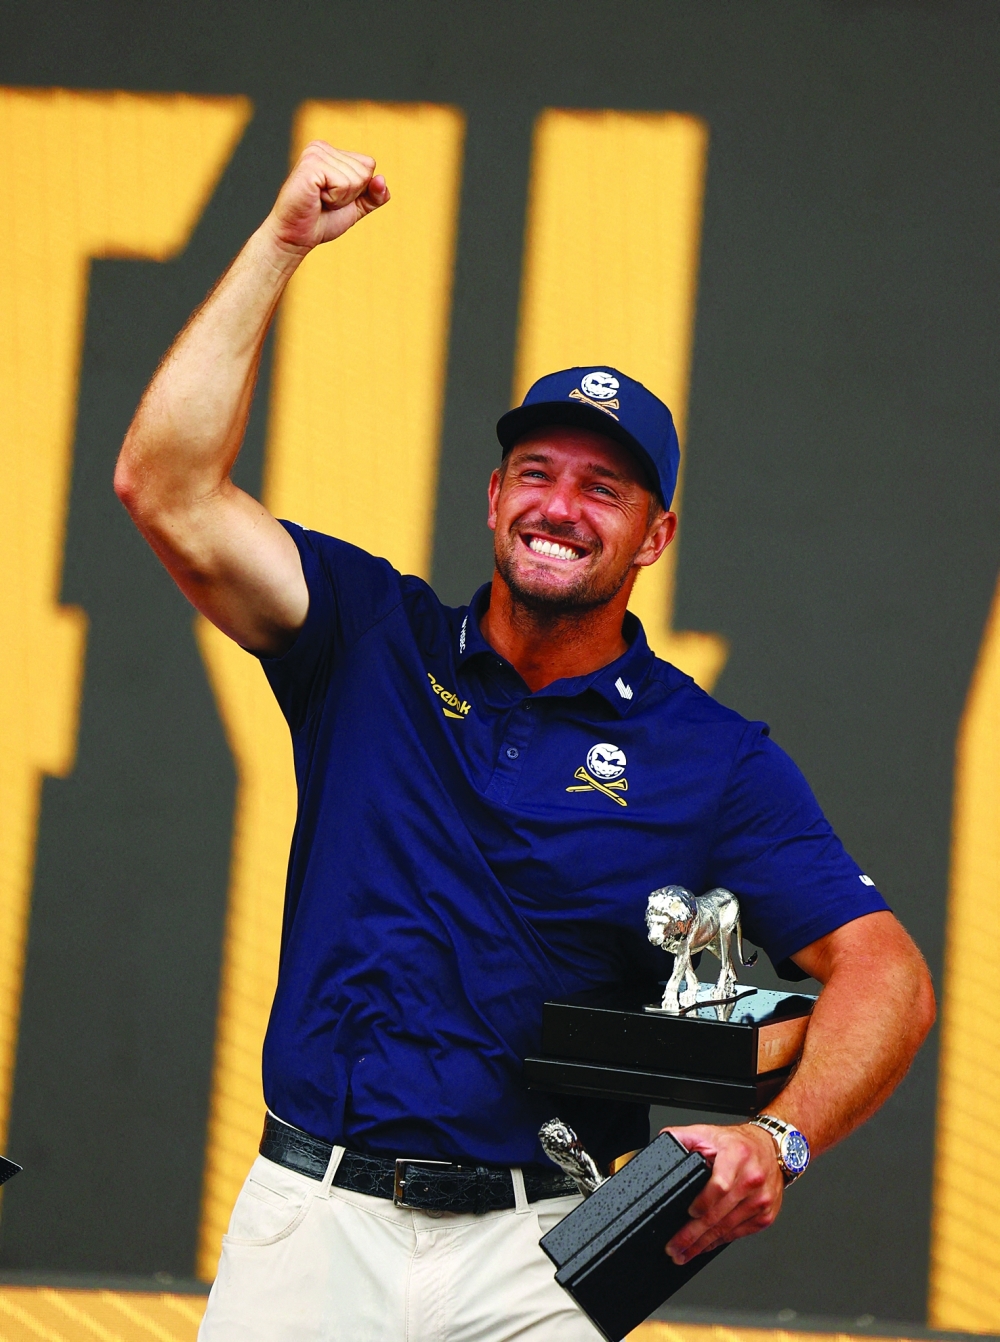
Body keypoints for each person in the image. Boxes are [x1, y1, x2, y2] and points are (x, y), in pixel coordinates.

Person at [115, 142, 935, 1341]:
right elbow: (167, 486)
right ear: (494, 498)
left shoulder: (710, 752)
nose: (561, 504)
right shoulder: (368, 637)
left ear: (654, 537)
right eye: (538, 472)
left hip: (541, 1251)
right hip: (312, 1219)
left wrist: (779, 1135)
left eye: (604, 490)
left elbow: (889, 974)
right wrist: (280, 242)